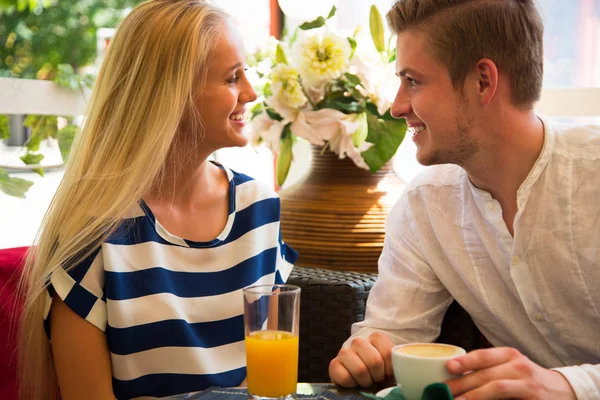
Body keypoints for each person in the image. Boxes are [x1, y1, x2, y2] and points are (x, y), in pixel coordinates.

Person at [17, 1, 297, 399]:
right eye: (233, 78)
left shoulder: (260, 209)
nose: (251, 93)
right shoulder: (95, 231)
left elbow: (264, 383)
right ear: (170, 94)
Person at [329, 0, 600, 399]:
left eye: (414, 81)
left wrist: (566, 386)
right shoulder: (425, 205)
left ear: (483, 82)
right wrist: (370, 353)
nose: (397, 105)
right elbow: (394, 336)